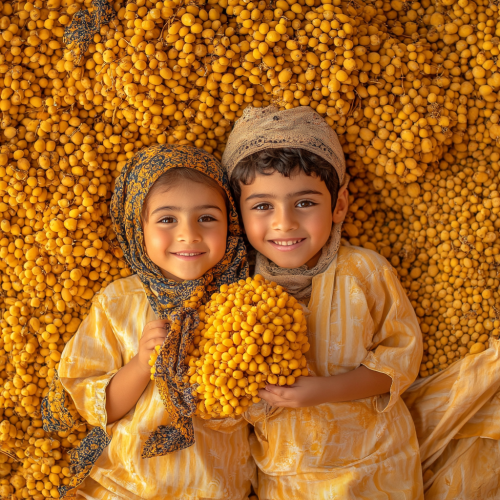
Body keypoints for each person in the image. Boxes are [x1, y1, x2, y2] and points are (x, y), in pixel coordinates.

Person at [221, 106, 424, 500]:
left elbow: (401, 361)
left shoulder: (365, 271)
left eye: (305, 203)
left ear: (340, 204)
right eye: (262, 206)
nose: (284, 223)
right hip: (287, 477)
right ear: (237, 213)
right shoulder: (237, 290)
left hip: (379, 466)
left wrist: (325, 390)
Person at [41, 144, 256, 500]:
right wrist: (141, 364)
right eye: (167, 219)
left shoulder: (243, 303)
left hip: (217, 487)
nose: (189, 234)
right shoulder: (119, 302)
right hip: (127, 485)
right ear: (137, 228)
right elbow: (98, 408)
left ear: (231, 223)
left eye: (207, 218)